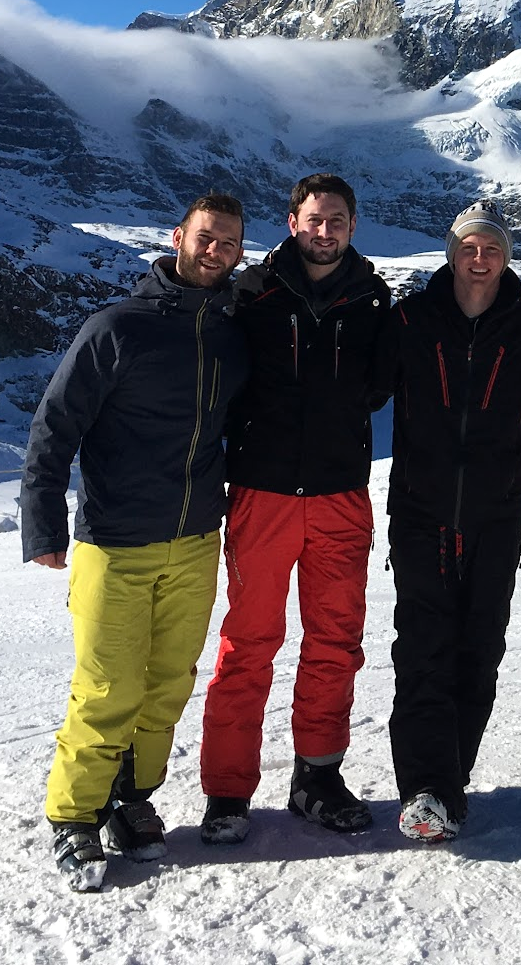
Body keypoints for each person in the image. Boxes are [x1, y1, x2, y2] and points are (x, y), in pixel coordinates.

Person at [19, 193, 251, 892]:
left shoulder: (235, 331)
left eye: (230, 242)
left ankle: (132, 795)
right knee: (108, 686)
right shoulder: (118, 327)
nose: (217, 250)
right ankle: (74, 817)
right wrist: (43, 525)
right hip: (115, 540)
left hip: (194, 540)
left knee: (169, 683)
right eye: (207, 237)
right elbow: (54, 426)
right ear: (179, 237)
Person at [197, 174, 395, 844]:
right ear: (291, 222)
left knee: (335, 641)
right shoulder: (251, 293)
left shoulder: (372, 297)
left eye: (336, 219)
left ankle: (318, 776)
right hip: (263, 491)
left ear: (352, 225)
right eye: (314, 218)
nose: (324, 230)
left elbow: (383, 385)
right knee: (248, 643)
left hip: (340, 493)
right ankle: (227, 790)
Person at [387, 201, 521, 842]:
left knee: (480, 650)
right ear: (451, 253)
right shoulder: (410, 318)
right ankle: (424, 788)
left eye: (493, 248)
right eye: (470, 247)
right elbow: (360, 383)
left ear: (507, 257)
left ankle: (449, 785)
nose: (481, 258)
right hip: (419, 512)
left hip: (496, 517)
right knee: (423, 649)